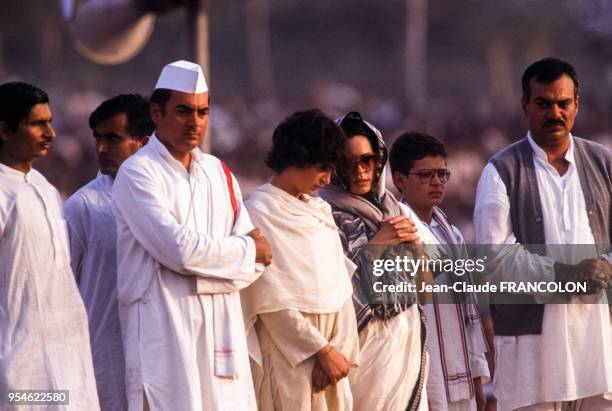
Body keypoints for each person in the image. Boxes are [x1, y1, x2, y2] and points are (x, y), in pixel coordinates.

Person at [111, 60, 272, 410]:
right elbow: (179, 251)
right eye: (183, 111)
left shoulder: (218, 172)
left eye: (202, 112)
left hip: (221, 339)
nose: (194, 122)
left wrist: (213, 264)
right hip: (165, 338)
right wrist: (241, 254)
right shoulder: (138, 174)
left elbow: (260, 262)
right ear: (157, 112)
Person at [474, 57, 612, 410]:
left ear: (577, 104)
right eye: (543, 104)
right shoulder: (501, 171)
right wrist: (564, 275)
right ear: (525, 106)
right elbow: (494, 259)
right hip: (532, 358)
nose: (555, 113)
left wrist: (602, 268)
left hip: (599, 350)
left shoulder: (603, 163)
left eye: (563, 103)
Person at [241, 109, 359, 410]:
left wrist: (337, 353)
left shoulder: (320, 212)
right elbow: (269, 300)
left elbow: (341, 289)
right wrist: (318, 350)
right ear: (295, 157)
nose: (327, 178)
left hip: (333, 365)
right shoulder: (258, 213)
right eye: (321, 167)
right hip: (288, 359)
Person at [319, 111, 430, 411]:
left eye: (366, 160)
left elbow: (426, 293)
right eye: (348, 162)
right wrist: (377, 246)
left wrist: (416, 247)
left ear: (379, 160)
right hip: (365, 364)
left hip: (403, 358)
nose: (359, 170)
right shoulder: (323, 217)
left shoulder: (395, 212)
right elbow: (337, 308)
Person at [0, 81, 100, 409]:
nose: (51, 133)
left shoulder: (45, 188)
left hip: (69, 358)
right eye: (37, 123)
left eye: (50, 121)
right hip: (18, 366)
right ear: (4, 129)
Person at [64, 94, 153, 411]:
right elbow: (62, 290)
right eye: (98, 138)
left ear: (142, 142)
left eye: (113, 138)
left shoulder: (166, 201)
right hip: (102, 354)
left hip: (157, 353)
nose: (101, 148)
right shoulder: (83, 207)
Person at [390, 132, 490, 411]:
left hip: (460, 372)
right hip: (422, 370)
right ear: (399, 180)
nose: (437, 182)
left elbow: (469, 310)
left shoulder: (452, 233)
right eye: (425, 175)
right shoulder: (395, 231)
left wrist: (478, 379)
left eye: (442, 174)